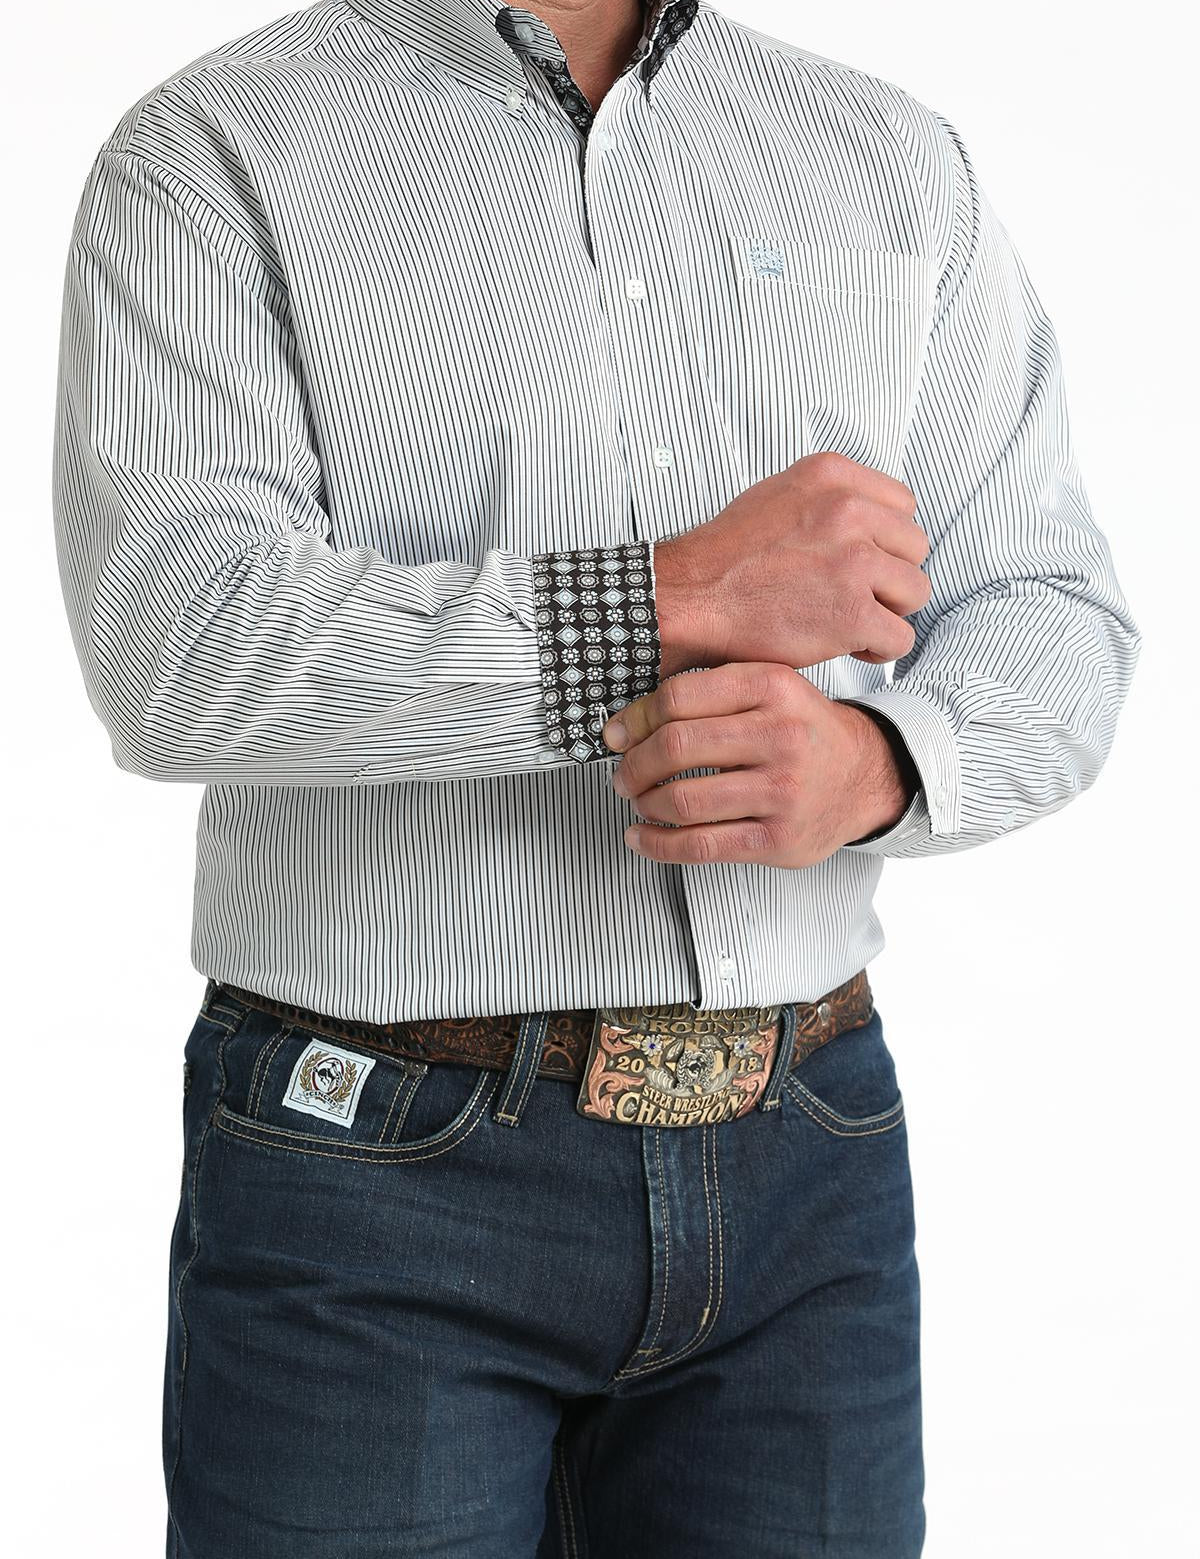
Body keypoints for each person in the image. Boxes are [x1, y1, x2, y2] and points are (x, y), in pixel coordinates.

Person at [50, 0, 1141, 1553]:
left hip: (807, 1162)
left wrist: (883, 762)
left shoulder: (884, 154)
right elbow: (180, 649)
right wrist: (664, 601)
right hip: (373, 1182)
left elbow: (1049, 602)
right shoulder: (218, 148)